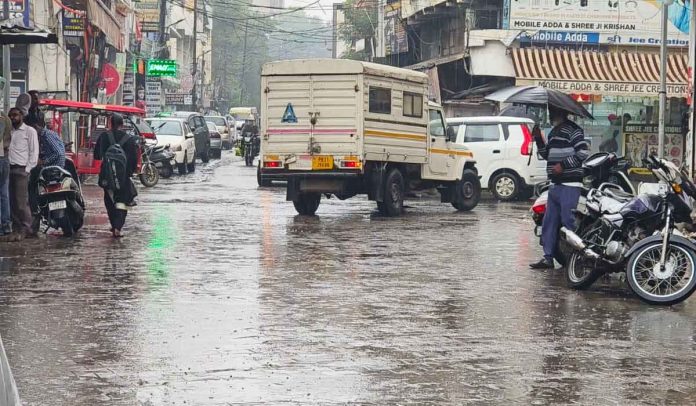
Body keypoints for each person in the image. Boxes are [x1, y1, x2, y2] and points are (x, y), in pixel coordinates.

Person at [530, 106, 590, 269]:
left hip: (570, 184)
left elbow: (583, 153)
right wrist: (538, 139)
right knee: (550, 222)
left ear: (561, 112)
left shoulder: (574, 131)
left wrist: (563, 165)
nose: (550, 115)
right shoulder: (554, 132)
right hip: (555, 184)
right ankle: (548, 257)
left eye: (553, 112)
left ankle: (574, 259)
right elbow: (546, 155)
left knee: (568, 222)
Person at [94, 114, 138, 238]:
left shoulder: (104, 136)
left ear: (110, 123)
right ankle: (118, 227)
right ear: (122, 125)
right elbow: (133, 160)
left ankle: (114, 225)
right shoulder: (129, 139)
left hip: (106, 177)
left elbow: (97, 155)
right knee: (122, 202)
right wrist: (129, 173)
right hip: (123, 178)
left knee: (109, 201)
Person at [3, 108, 39, 242]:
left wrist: (28, 169)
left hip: (21, 169)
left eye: (15, 115)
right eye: (10, 116)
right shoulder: (8, 131)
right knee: (11, 200)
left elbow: (34, 152)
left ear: (21, 116)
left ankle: (26, 228)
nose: (13, 118)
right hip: (8, 168)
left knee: (21, 202)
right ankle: (16, 228)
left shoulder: (29, 131)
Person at [28, 120, 66, 224]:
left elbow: (58, 153)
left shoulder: (47, 135)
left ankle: (35, 211)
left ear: (37, 127)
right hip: (55, 168)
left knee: (32, 186)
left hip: (52, 168)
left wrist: (43, 161)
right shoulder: (48, 135)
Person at [0, 111, 11, 235]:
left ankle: (4, 225)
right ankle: (6, 225)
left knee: (3, 194)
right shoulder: (4, 117)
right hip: (3, 158)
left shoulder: (1, 118)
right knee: (3, 194)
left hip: (1, 158)